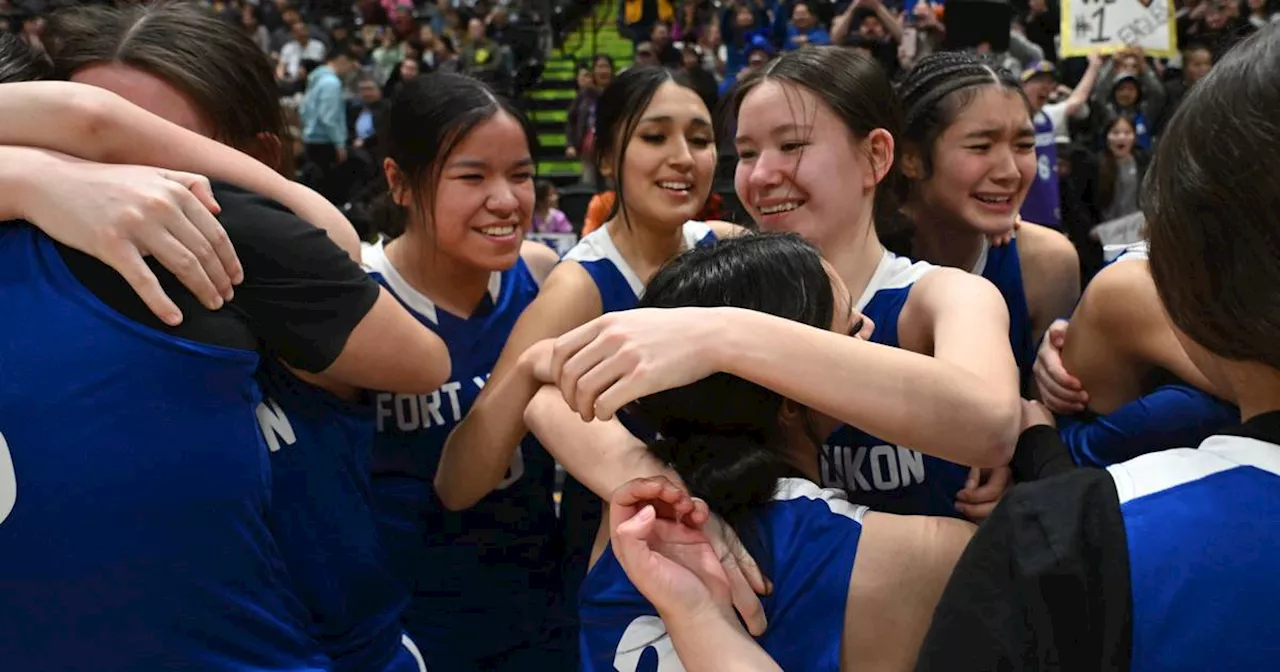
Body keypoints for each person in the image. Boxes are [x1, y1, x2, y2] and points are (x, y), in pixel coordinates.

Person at [0, 28, 446, 672]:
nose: (127, 179)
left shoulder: (261, 250)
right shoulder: (62, 262)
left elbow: (421, 358)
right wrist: (32, 175)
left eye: (149, 141)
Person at [916, 25, 1280, 671]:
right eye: (982, 144)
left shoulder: (1077, 272)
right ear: (906, 157)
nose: (1010, 167)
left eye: (1026, 143)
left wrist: (1032, 442)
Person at [425, 66, 745, 652]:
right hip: (618, 574)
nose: (683, 157)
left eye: (699, 139)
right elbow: (457, 480)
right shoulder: (581, 287)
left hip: (734, 548)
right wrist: (525, 375)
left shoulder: (726, 249)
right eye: (655, 137)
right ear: (605, 157)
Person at [570, 233, 974, 671]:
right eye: (849, 332)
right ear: (785, 395)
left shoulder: (626, 519)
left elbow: (540, 372)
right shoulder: (923, 554)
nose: (870, 332)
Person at [360, 72, 566, 672]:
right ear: (399, 181)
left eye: (521, 175)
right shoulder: (358, 295)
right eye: (472, 176)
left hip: (538, 609)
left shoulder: (542, 274)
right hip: (411, 627)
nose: (505, 200)